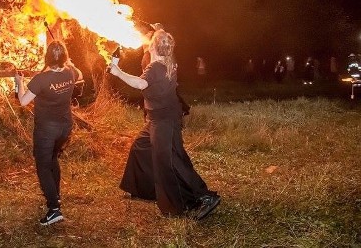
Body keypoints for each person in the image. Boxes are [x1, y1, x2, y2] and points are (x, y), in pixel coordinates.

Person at [108, 26, 220, 220]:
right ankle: (144, 189)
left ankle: (203, 197)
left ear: (153, 47)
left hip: (164, 120)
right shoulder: (169, 60)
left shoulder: (155, 68)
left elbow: (140, 84)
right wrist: (159, 30)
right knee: (140, 147)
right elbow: (164, 43)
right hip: (157, 118)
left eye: (151, 43)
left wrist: (118, 72)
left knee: (170, 160)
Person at [15, 40, 83, 226]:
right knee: (53, 158)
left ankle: (54, 209)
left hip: (47, 131)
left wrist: (19, 82)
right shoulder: (71, 72)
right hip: (65, 127)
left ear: (46, 57)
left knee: (43, 166)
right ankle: (56, 195)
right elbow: (80, 74)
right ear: (65, 57)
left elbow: (22, 101)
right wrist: (70, 64)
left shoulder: (41, 79)